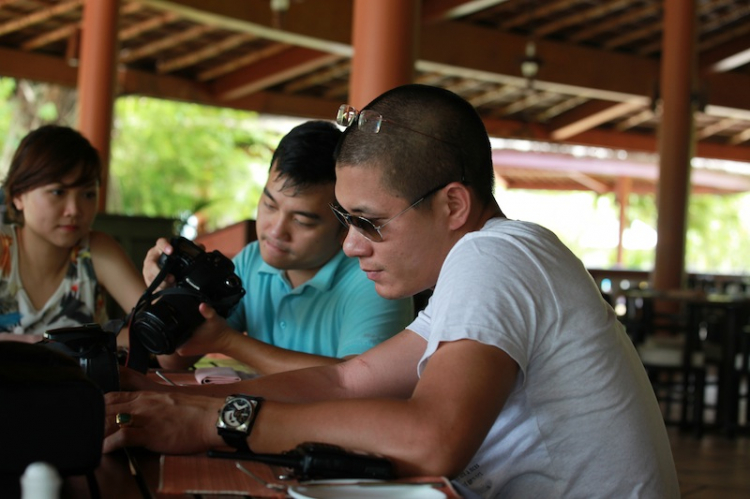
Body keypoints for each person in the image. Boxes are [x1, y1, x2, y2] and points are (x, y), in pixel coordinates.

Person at [104, 85, 679, 498]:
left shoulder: (496, 256)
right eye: (344, 220)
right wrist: (168, 394)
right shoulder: (485, 266)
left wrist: (218, 422)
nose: (351, 246)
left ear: (453, 204)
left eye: (370, 222)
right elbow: (345, 380)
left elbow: (434, 440)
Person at [150, 120, 413, 374]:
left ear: (345, 226)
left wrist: (228, 341)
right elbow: (173, 362)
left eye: (301, 221)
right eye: (269, 206)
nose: (275, 231)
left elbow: (363, 383)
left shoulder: (375, 280)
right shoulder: (251, 262)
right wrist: (172, 295)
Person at [0, 125, 146, 343]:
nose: (75, 210)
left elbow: (161, 337)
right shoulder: (3, 248)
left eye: (88, 194)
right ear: (18, 195)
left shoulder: (95, 251)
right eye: (58, 192)